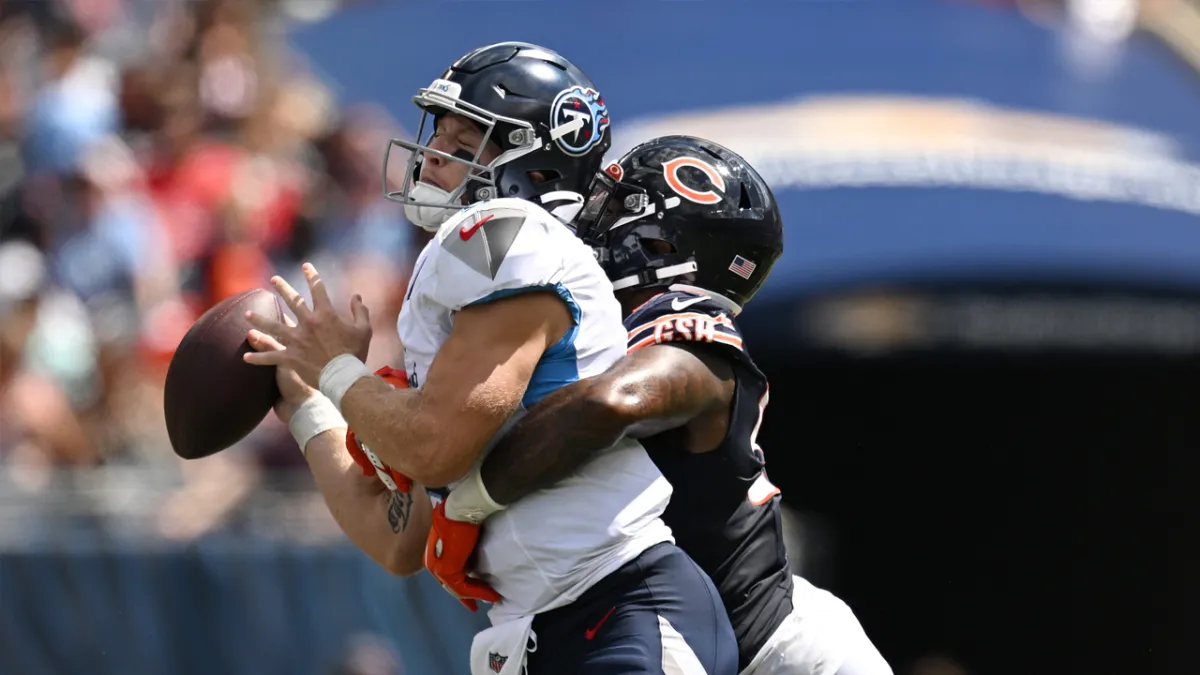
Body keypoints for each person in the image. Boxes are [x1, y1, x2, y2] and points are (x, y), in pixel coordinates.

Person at [243, 44, 737, 675]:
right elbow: (397, 538)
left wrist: (340, 373)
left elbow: (434, 447)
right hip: (543, 627)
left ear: (533, 165)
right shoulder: (470, 290)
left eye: (463, 137)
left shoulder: (511, 234)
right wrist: (308, 404)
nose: (434, 154)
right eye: (439, 132)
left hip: (616, 608)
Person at [425, 136, 895, 675]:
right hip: (674, 634)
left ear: (662, 246)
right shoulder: (581, 331)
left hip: (773, 653)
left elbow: (609, 403)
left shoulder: (686, 325)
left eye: (614, 206)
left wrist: (468, 502)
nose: (588, 218)